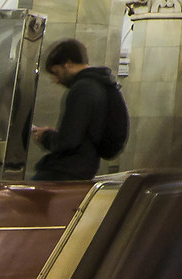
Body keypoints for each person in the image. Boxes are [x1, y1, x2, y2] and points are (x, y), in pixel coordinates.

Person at [30, 37, 128, 179]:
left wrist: (45, 136)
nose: (56, 80)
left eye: (56, 73)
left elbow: (68, 141)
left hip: (67, 172)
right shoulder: (100, 84)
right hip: (87, 167)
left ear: (68, 64)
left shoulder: (82, 89)